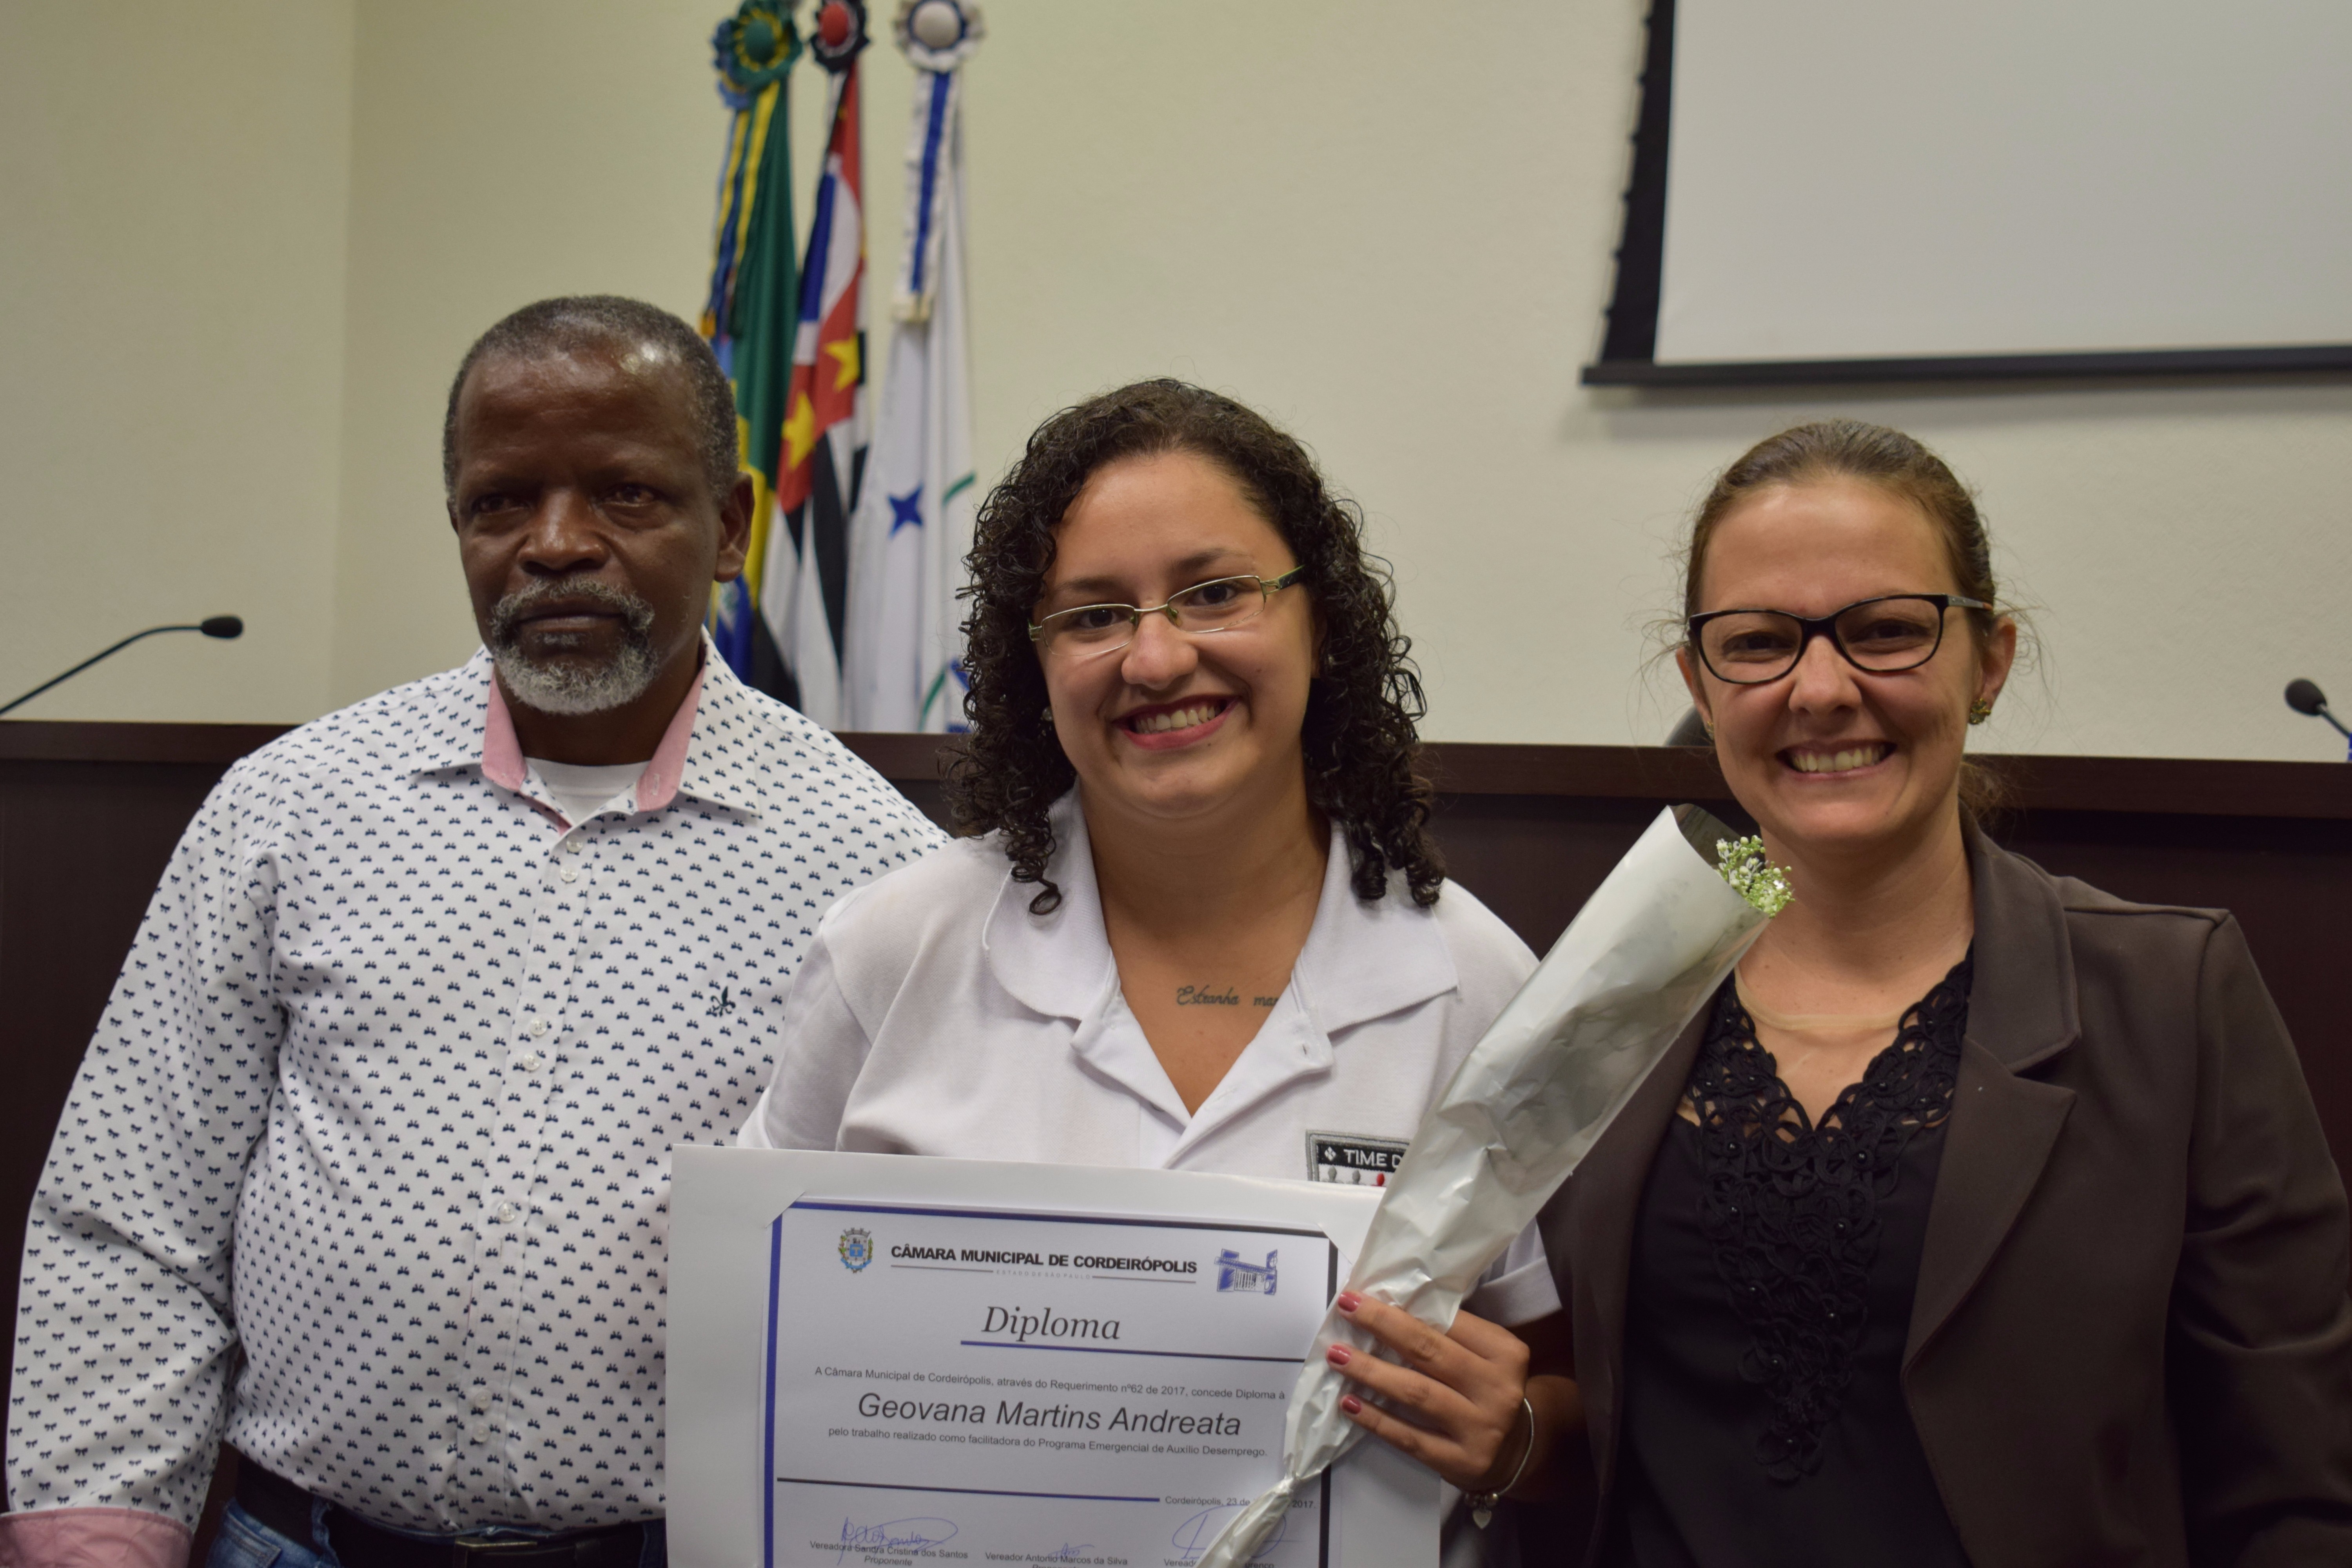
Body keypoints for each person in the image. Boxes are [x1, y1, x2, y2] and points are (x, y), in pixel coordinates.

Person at [2, 296, 946, 1568]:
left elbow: (919, 1271)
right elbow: (131, 1211)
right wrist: (97, 1540)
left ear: (729, 528)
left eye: (623, 494)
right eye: (502, 501)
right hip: (303, 1543)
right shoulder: (290, 809)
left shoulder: (881, 868)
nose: (555, 545)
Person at [740, 379, 1577, 1548]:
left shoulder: (1475, 983)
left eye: (1216, 593)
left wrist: (1518, 1438)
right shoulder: (894, 948)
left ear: (1322, 619)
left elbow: (1562, 1390)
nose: (1155, 655)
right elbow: (751, 1315)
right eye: (1091, 615)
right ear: (1032, 664)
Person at [1537, 419, 2352, 1566]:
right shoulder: (1606, 994)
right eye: (1759, 643)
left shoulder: (2172, 995)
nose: (1823, 689)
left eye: (1886, 631)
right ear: (1700, 688)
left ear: (1991, 662)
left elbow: (2296, 1492)